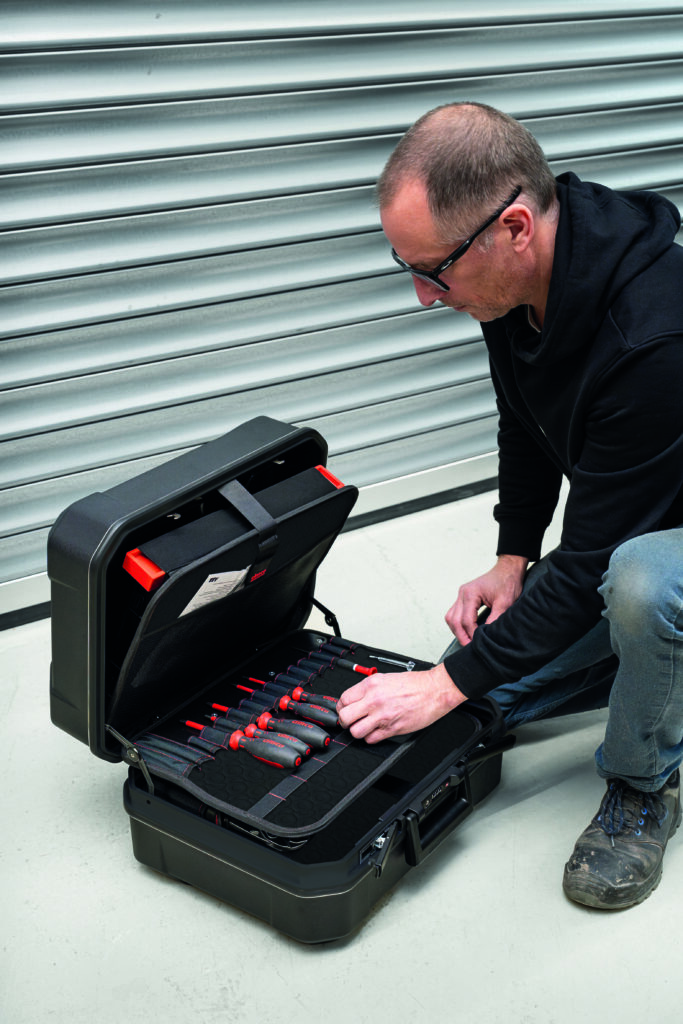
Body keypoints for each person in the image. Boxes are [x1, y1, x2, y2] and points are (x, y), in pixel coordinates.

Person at [336, 102, 683, 910]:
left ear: (514, 227)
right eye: (408, 268)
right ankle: (650, 667)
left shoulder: (654, 339)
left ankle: (642, 785)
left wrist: (446, 684)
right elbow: (524, 420)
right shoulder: (515, 286)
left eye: (433, 271)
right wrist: (511, 557)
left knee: (639, 585)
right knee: (484, 688)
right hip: (647, 508)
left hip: (651, 545)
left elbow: (596, 560)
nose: (424, 296)